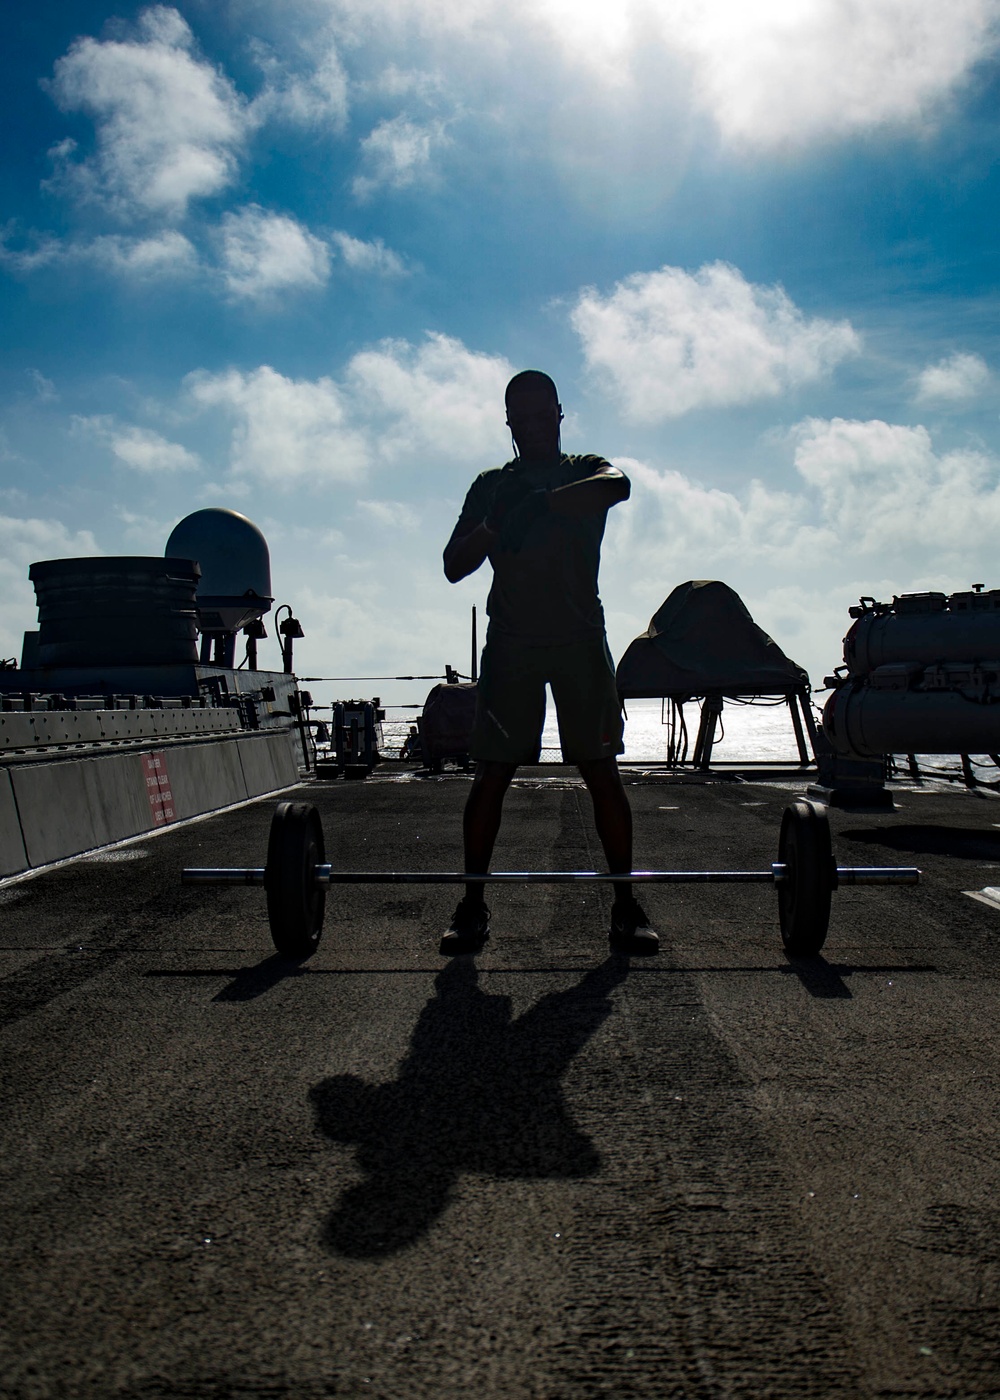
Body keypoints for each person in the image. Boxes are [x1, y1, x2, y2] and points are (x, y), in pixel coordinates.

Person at [440, 369, 658, 957]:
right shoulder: (489, 486)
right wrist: (494, 522)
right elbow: (454, 564)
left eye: (544, 415)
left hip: (580, 641)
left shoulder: (583, 468)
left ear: (560, 415)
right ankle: (472, 905)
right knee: (491, 775)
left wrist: (540, 503)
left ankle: (625, 904)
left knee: (601, 771)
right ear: (508, 421)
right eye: (523, 417)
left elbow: (617, 485)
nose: (534, 425)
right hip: (511, 643)